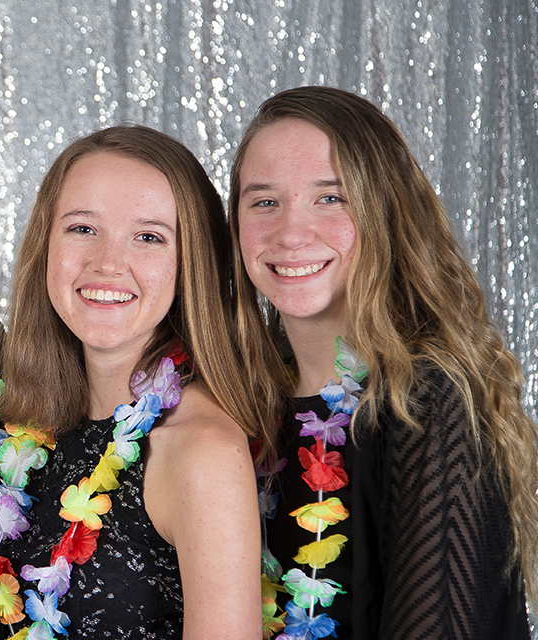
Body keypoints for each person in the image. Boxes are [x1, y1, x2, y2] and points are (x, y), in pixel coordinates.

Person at [230, 85, 537, 639]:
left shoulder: (426, 403)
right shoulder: (243, 403)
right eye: (264, 201)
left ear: (385, 211)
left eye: (330, 197)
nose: (291, 233)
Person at [0, 125, 265, 639]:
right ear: (45, 244)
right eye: (82, 229)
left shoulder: (200, 449)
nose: (108, 264)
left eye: (149, 237)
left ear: (191, 266)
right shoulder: (32, 427)